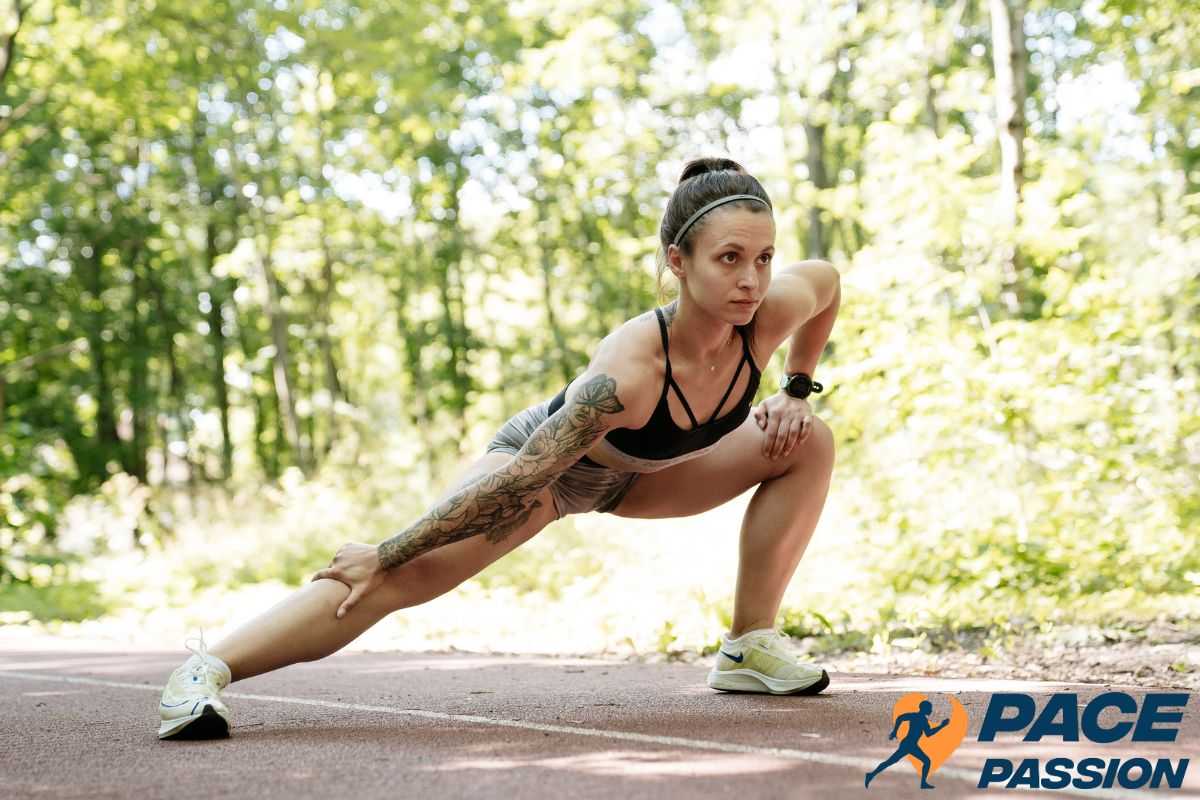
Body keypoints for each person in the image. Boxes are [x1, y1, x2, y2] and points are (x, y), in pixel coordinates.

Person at [157, 156, 842, 740]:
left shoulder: (766, 313)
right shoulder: (629, 372)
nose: (751, 280)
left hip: (649, 475)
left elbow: (827, 283)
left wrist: (795, 388)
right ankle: (206, 670)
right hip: (544, 473)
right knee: (397, 578)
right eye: (729, 258)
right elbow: (517, 481)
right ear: (677, 262)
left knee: (807, 439)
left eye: (763, 258)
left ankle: (749, 645)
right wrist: (388, 550)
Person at [864, 699, 949, 788]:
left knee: (891, 761)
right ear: (925, 709)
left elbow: (900, 718)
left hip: (909, 743)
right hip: (909, 744)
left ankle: (871, 775)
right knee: (926, 761)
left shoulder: (914, 716)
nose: (931, 710)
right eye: (930, 708)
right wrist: (942, 726)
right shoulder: (923, 720)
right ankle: (923, 783)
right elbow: (929, 734)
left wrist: (895, 731)